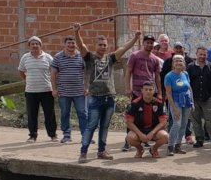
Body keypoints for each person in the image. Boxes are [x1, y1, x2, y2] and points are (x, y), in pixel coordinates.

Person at [73, 23, 139, 163]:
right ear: (95, 45)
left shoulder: (110, 58)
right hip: (95, 98)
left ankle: (101, 151)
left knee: (105, 126)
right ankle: (83, 152)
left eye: (105, 45)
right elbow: (81, 46)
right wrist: (77, 32)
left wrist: (135, 39)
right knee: (91, 125)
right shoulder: (89, 57)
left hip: (109, 98)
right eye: (100, 44)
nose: (103, 47)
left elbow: (123, 48)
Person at [122, 34, 162, 151]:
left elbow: (157, 76)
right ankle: (128, 141)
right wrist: (127, 88)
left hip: (150, 92)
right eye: (147, 42)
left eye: (151, 43)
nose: (149, 45)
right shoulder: (135, 56)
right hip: (137, 91)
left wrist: (159, 92)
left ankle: (145, 140)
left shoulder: (155, 59)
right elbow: (128, 71)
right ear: (143, 43)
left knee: (148, 116)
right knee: (133, 116)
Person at [18, 36, 56, 142]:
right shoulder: (25, 57)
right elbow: (21, 71)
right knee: (32, 114)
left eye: (37, 44)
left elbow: (54, 72)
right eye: (32, 44)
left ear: (41, 45)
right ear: (29, 46)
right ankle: (32, 136)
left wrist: (54, 87)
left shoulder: (48, 57)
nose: (35, 46)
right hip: (31, 91)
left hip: (46, 90)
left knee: (50, 114)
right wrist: (28, 80)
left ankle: (53, 135)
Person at [50, 35, 87, 144]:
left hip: (80, 91)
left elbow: (87, 73)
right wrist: (54, 89)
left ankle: (85, 135)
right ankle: (66, 135)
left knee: (83, 113)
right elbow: (53, 73)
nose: (71, 45)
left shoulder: (82, 56)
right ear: (65, 44)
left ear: (76, 44)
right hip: (64, 92)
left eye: (73, 43)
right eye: (69, 43)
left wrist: (87, 87)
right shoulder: (58, 57)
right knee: (65, 113)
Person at [125, 81, 169, 158]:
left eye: (150, 89)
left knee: (165, 136)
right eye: (146, 89)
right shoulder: (134, 103)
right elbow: (129, 123)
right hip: (139, 130)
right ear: (142, 91)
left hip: (154, 130)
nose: (148, 91)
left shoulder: (159, 103)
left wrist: (152, 132)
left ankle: (154, 149)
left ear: (154, 90)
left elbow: (163, 122)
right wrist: (140, 134)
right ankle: (140, 149)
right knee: (130, 138)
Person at [186, 46, 211, 148]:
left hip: (207, 98)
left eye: (204, 55)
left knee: (210, 120)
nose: (202, 56)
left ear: (207, 55)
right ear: (196, 54)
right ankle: (199, 139)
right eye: (200, 54)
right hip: (194, 98)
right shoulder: (190, 67)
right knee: (196, 120)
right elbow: (187, 82)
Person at [163, 55, 193, 155]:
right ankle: (170, 146)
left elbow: (189, 88)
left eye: (180, 60)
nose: (178, 62)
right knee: (177, 123)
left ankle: (178, 146)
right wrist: (174, 108)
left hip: (186, 101)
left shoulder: (185, 74)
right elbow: (168, 93)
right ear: (173, 64)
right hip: (175, 101)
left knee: (184, 124)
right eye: (176, 61)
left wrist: (192, 102)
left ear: (184, 63)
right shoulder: (169, 76)